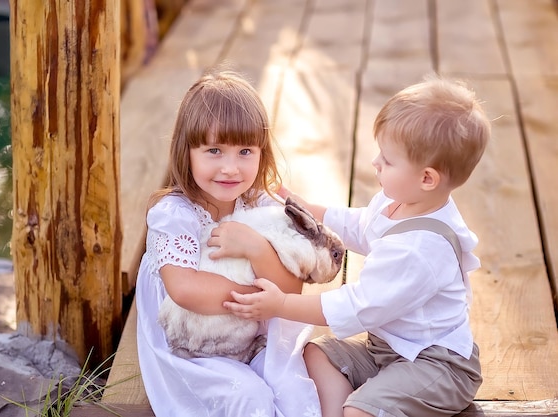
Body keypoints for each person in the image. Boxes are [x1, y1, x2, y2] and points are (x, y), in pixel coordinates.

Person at [224, 75, 491, 417]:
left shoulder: (421, 251)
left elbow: (357, 306)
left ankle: (358, 410)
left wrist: (281, 304)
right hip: (390, 351)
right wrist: (303, 207)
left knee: (361, 411)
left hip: (438, 366)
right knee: (315, 353)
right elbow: (359, 225)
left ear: (427, 178)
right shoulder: (400, 201)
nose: (376, 163)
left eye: (388, 160)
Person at [135, 69, 321, 417]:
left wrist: (256, 248)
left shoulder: (260, 205)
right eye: (215, 150)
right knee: (249, 398)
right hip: (193, 343)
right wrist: (261, 300)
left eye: (245, 151)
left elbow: (290, 287)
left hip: (256, 331)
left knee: (294, 391)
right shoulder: (174, 215)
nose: (231, 168)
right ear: (186, 151)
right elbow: (185, 290)